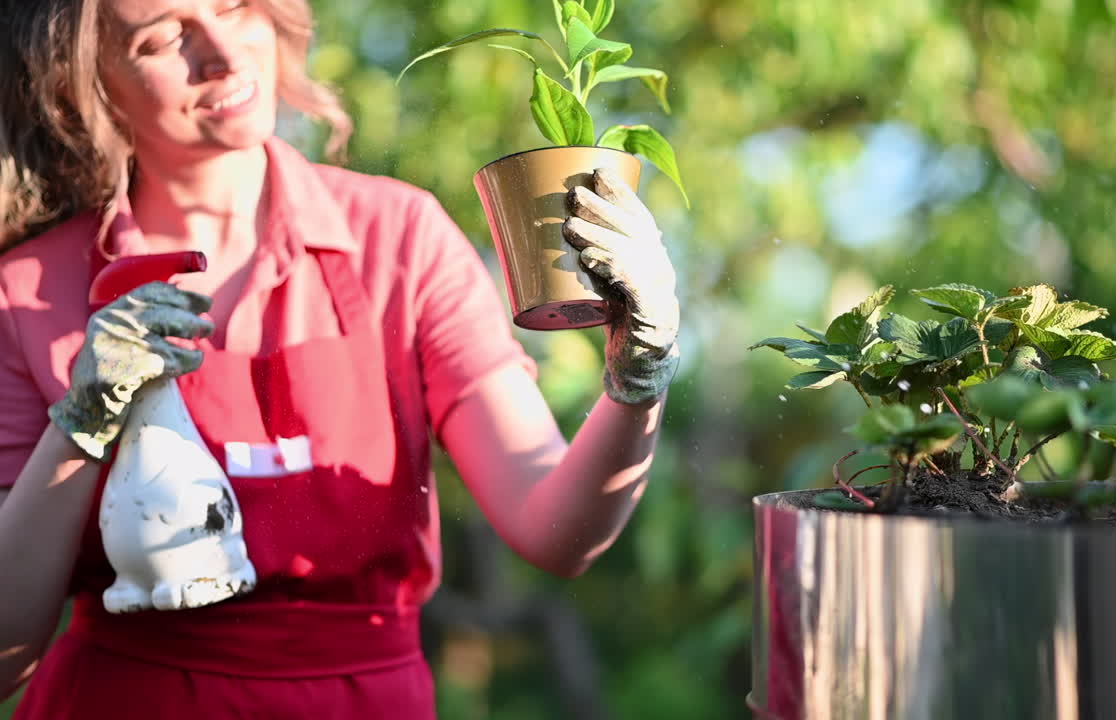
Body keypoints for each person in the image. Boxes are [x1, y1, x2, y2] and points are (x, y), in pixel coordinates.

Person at [0, 0, 680, 717]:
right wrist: (81, 421)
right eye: (165, 37)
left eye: (234, 5)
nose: (224, 54)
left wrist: (638, 375)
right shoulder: (27, 296)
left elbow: (555, 531)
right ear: (84, 80)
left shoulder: (401, 241)